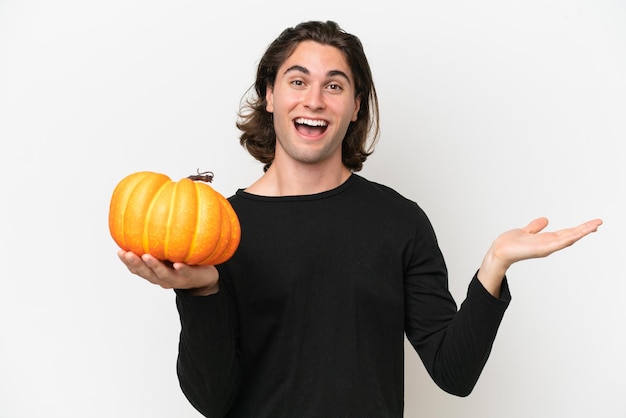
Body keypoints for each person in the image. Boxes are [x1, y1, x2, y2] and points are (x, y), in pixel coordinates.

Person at [118, 20, 602, 418]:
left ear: (354, 107)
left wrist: (495, 264)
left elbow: (454, 375)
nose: (314, 99)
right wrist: (200, 290)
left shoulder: (399, 221)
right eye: (297, 81)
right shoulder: (218, 230)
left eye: (334, 85)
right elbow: (212, 400)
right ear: (269, 95)